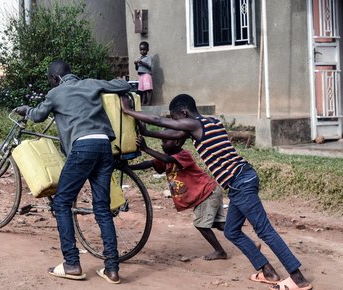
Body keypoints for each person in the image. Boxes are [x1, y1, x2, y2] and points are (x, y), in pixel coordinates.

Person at [120, 94, 312, 290]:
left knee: (264, 231)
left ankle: (298, 279)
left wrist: (128, 111)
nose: (176, 124)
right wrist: (146, 132)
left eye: (176, 119)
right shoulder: (212, 122)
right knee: (231, 231)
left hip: (240, 181)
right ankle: (268, 272)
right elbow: (173, 135)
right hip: (240, 182)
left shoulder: (195, 125)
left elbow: (160, 120)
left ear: (184, 113)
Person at [15, 60, 131, 284]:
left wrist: (26, 110)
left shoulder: (56, 93)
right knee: (102, 209)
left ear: (54, 79)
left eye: (50, 79)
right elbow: (122, 86)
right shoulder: (90, 84)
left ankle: (72, 263)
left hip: (82, 148)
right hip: (104, 146)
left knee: (61, 203)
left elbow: (38, 116)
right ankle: (112, 270)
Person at [129, 129, 228, 260]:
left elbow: (167, 158)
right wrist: (129, 167)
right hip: (209, 191)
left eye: (165, 141)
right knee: (219, 224)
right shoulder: (165, 159)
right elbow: (149, 163)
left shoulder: (183, 155)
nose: (162, 144)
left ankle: (220, 251)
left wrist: (146, 148)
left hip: (206, 193)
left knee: (201, 224)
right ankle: (247, 242)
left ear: (177, 141)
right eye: (161, 141)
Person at [134, 41, 153, 106]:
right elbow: (137, 69)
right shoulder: (139, 58)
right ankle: (143, 102)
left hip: (146, 75)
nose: (142, 51)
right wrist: (136, 64)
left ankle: (149, 102)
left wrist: (141, 63)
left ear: (147, 50)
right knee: (143, 90)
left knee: (148, 89)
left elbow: (149, 66)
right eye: (141, 50)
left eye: (144, 49)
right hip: (141, 75)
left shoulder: (148, 57)